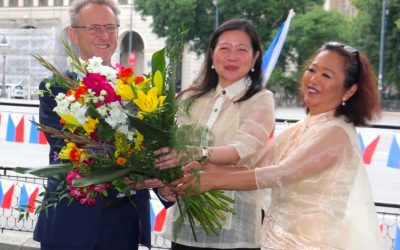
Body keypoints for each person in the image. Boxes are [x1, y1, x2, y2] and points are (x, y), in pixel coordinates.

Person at [175, 42, 385, 250]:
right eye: (312, 70)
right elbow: (256, 167)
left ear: (349, 91)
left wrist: (213, 180)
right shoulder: (303, 127)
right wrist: (201, 169)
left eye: (326, 75)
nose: (313, 79)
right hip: (274, 241)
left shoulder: (336, 132)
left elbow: (281, 173)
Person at [35, 0, 173, 249]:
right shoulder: (55, 88)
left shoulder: (137, 89)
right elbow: (75, 150)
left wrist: (164, 182)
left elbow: (153, 146)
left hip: (123, 228)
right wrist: (136, 170)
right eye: (94, 28)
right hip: (70, 226)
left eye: (110, 27)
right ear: (73, 35)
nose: (104, 35)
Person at [154, 19, 275, 249]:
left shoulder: (260, 100)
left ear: (255, 58)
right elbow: (168, 148)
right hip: (186, 224)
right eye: (224, 48)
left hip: (236, 227)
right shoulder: (189, 99)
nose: (232, 56)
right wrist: (166, 183)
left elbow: (242, 150)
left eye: (242, 50)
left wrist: (195, 153)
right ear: (211, 55)